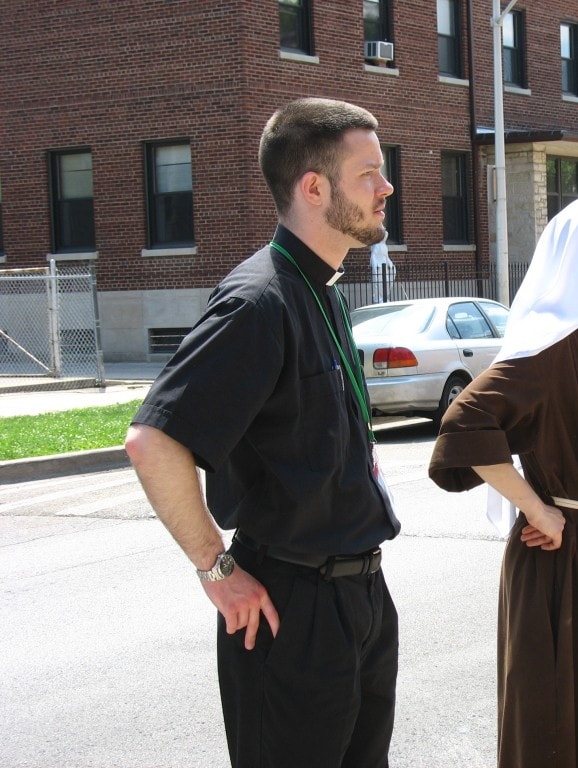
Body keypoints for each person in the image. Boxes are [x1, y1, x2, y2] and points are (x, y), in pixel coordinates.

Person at [124, 97, 401, 768]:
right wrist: (216, 568)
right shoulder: (259, 301)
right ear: (314, 187)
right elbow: (153, 440)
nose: (386, 187)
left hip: (359, 600)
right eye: (369, 173)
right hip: (292, 609)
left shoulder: (323, 290)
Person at [429, 191, 578, 768]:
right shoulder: (554, 343)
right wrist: (535, 509)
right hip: (566, 562)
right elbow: (466, 419)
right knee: (566, 715)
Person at [369, 238, 396, 302]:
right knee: (379, 282)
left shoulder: (384, 246)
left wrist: (390, 264)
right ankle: (378, 298)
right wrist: (374, 265)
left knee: (386, 282)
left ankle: (384, 296)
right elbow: (373, 256)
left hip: (385, 268)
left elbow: (386, 257)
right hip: (379, 267)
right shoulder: (376, 246)